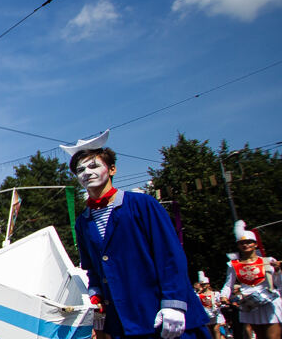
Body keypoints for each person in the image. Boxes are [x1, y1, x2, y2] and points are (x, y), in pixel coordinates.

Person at [68, 130, 210, 339]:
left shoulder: (142, 204)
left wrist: (174, 303)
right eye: (80, 170)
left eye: (94, 166)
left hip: (160, 314)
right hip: (124, 323)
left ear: (112, 169)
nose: (86, 173)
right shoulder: (83, 221)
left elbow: (170, 255)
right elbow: (93, 268)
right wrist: (95, 294)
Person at [220, 220, 281, 339]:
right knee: (260, 336)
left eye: (249, 242)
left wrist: (278, 271)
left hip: (269, 302)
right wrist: (224, 296)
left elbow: (278, 283)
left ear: (255, 244)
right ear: (238, 246)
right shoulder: (233, 264)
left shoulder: (268, 261)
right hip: (250, 304)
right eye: (242, 243)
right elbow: (228, 284)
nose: (245, 245)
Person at [198, 272, 226, 339]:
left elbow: (221, 303)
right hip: (207, 314)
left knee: (216, 329)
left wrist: (219, 304)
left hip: (216, 314)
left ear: (208, 285)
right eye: (202, 285)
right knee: (210, 330)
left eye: (204, 284)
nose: (203, 286)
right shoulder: (198, 295)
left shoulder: (215, 294)